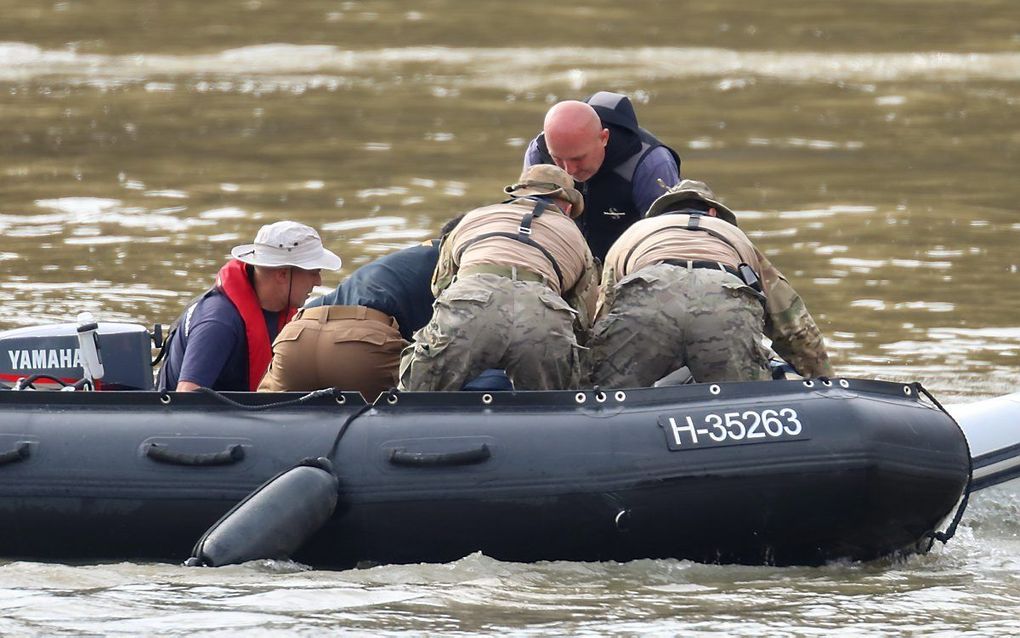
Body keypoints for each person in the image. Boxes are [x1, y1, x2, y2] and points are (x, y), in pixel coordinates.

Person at [589, 180, 834, 388]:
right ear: (713, 212)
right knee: (744, 407)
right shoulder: (735, 237)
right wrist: (825, 385)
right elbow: (793, 326)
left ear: (660, 214)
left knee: (610, 402)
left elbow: (603, 314)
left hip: (647, 297)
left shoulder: (635, 232)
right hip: (723, 300)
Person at [399, 165, 598, 391]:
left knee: (415, 397)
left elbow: (440, 287)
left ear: (517, 194)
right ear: (569, 207)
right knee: (549, 410)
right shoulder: (575, 237)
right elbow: (583, 318)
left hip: (470, 301)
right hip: (541, 314)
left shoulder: (475, 217)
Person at [257, 216, 463, 399]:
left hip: (296, 336)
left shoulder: (402, 261)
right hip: (361, 343)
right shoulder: (457, 262)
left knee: (267, 408)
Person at [156, 221, 341, 392]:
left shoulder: (284, 311)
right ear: (283, 274)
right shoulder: (218, 323)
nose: (318, 281)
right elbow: (186, 396)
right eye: (313, 272)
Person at [523, 91, 681, 261]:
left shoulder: (651, 164)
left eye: (578, 158)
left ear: (603, 138)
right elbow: (527, 224)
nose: (568, 171)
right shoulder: (539, 154)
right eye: (558, 159)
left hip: (630, 265)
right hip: (564, 263)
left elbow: (668, 243)